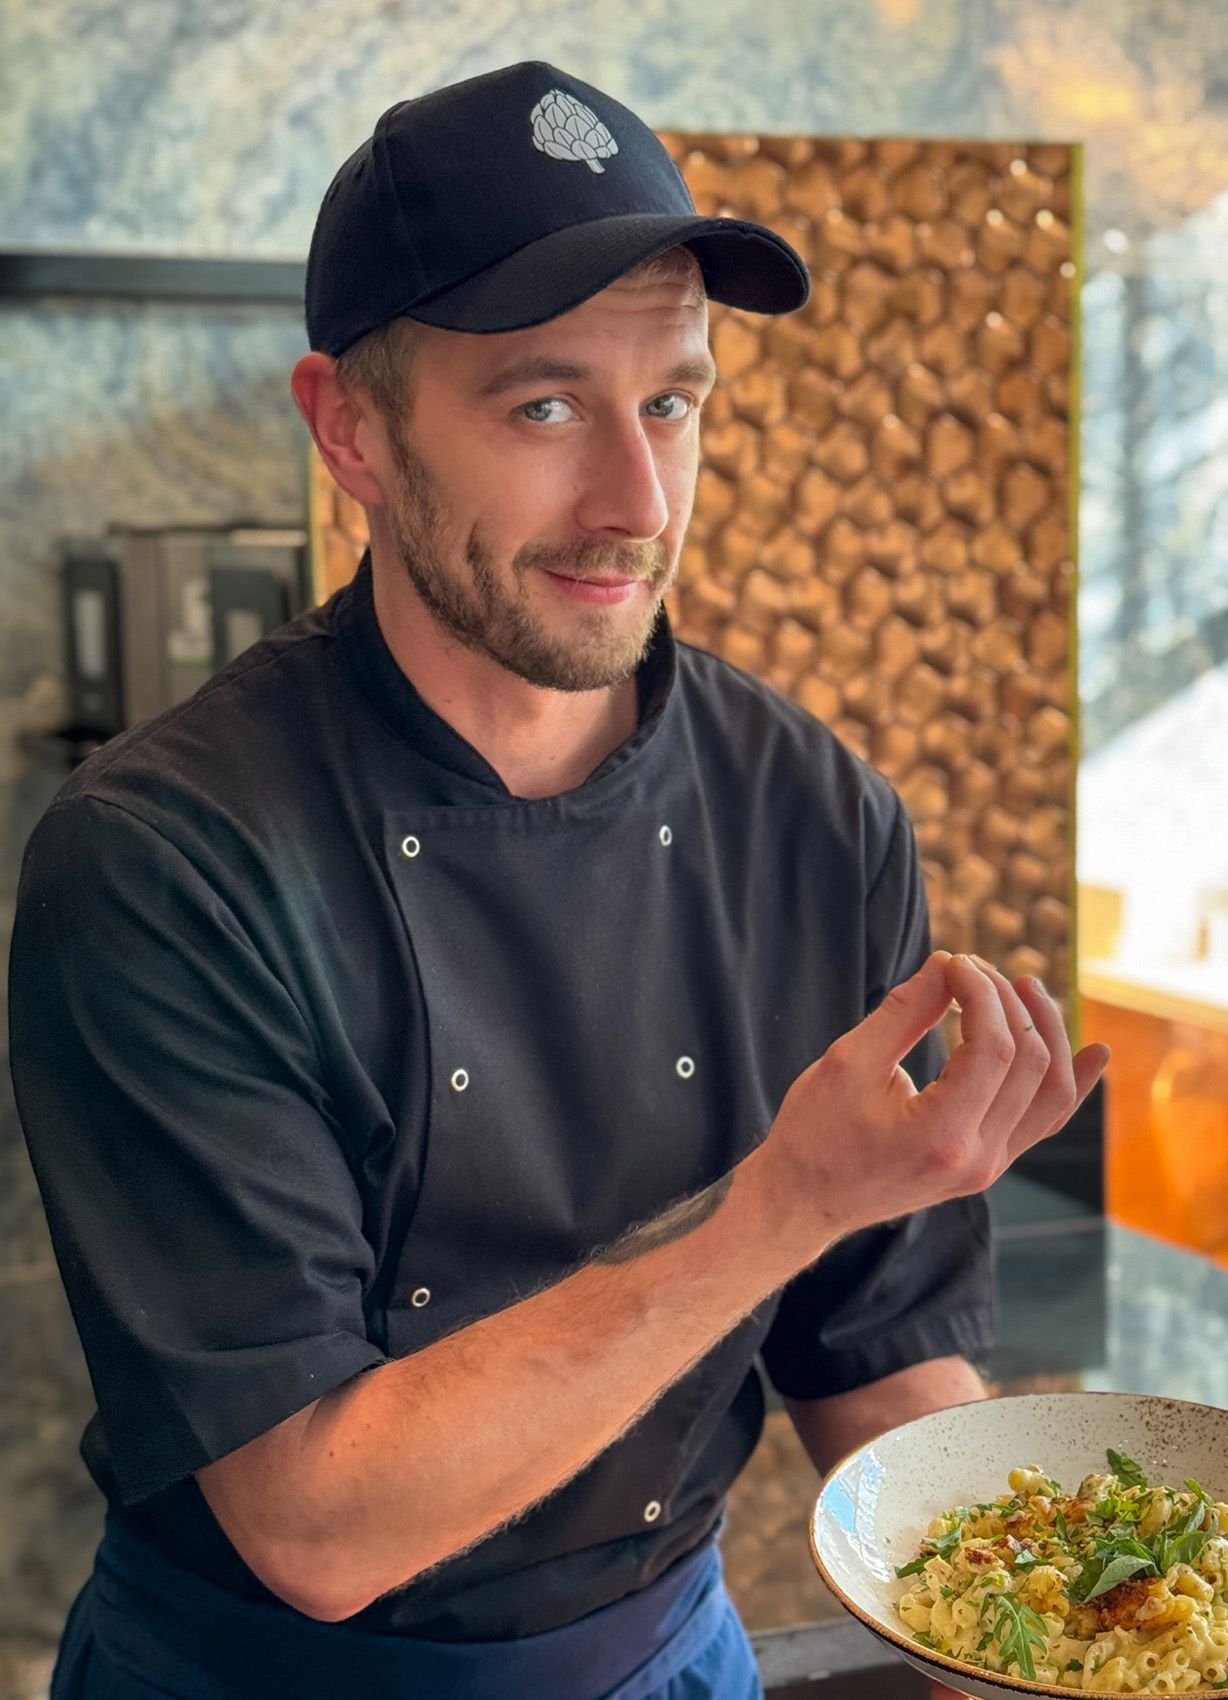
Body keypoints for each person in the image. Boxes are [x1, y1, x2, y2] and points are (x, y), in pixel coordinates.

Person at [8, 59, 1109, 1700]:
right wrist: (783, 1200)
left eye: (670, 400)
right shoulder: (169, 859)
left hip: (671, 1661)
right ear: (352, 431)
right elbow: (316, 1522)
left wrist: (1083, 1651)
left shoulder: (812, 814)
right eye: (543, 406)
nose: (634, 500)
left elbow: (874, 1361)